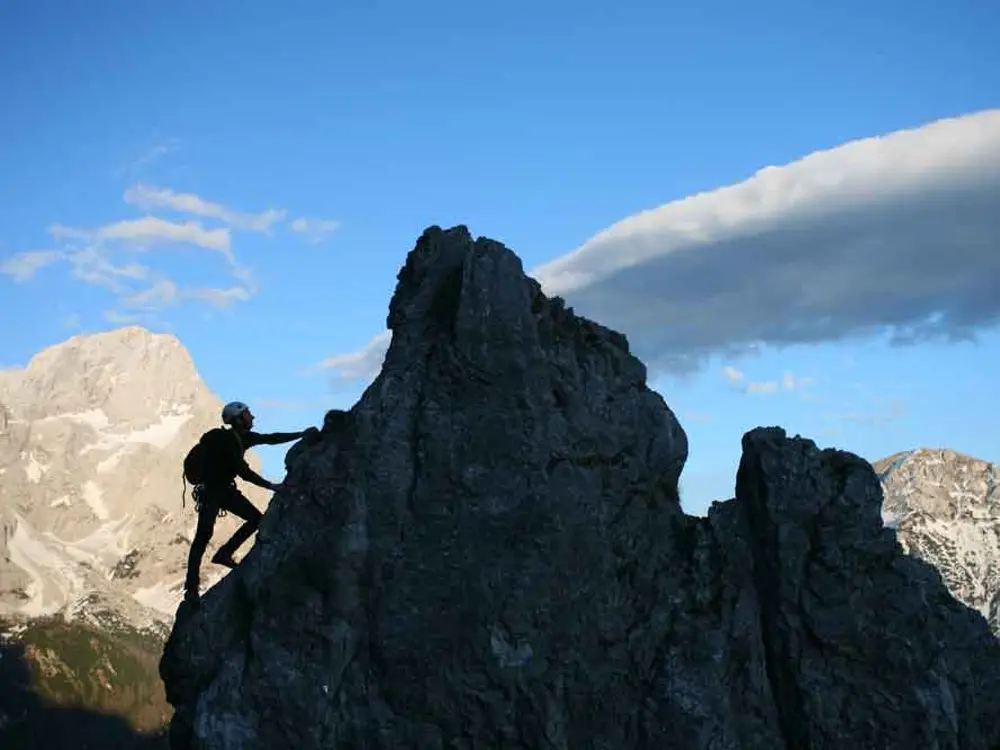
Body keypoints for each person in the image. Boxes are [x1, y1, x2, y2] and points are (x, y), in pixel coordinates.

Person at [183, 400, 317, 606]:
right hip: (214, 492)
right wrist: (271, 486)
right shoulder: (228, 441)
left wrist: (301, 434)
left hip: (221, 491)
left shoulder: (241, 438)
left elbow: (271, 439)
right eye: (248, 414)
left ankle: (223, 554)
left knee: (251, 521)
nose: (252, 417)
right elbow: (243, 472)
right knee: (205, 535)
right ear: (239, 418)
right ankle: (191, 589)